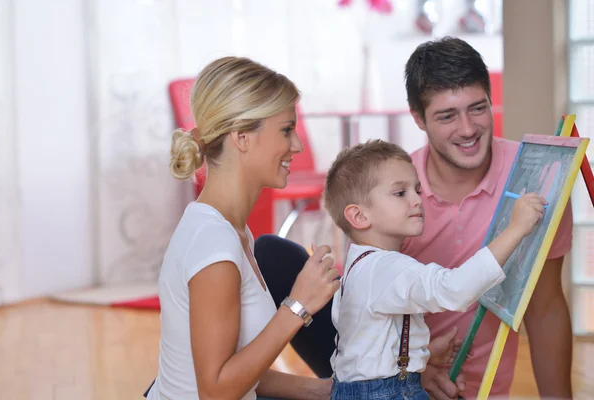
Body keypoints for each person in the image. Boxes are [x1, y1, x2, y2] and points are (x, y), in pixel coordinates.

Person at [255, 37, 573, 399]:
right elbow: (369, 312)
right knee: (272, 253)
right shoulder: (386, 195)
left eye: (478, 108)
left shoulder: (535, 180)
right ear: (419, 118)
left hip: (460, 382)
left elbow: (545, 307)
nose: (467, 129)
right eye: (447, 115)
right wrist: (411, 372)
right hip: (389, 372)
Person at [145, 56, 341, 400]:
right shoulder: (214, 244)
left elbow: (239, 371)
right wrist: (298, 305)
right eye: (286, 130)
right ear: (242, 138)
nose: (297, 145)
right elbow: (216, 391)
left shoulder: (228, 230)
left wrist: (324, 391)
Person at [322, 140, 545, 399]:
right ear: (359, 216)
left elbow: (371, 345)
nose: (417, 200)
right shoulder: (384, 267)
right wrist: (516, 229)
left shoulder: (361, 264)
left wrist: (420, 351)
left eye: (416, 190)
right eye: (400, 193)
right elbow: (455, 289)